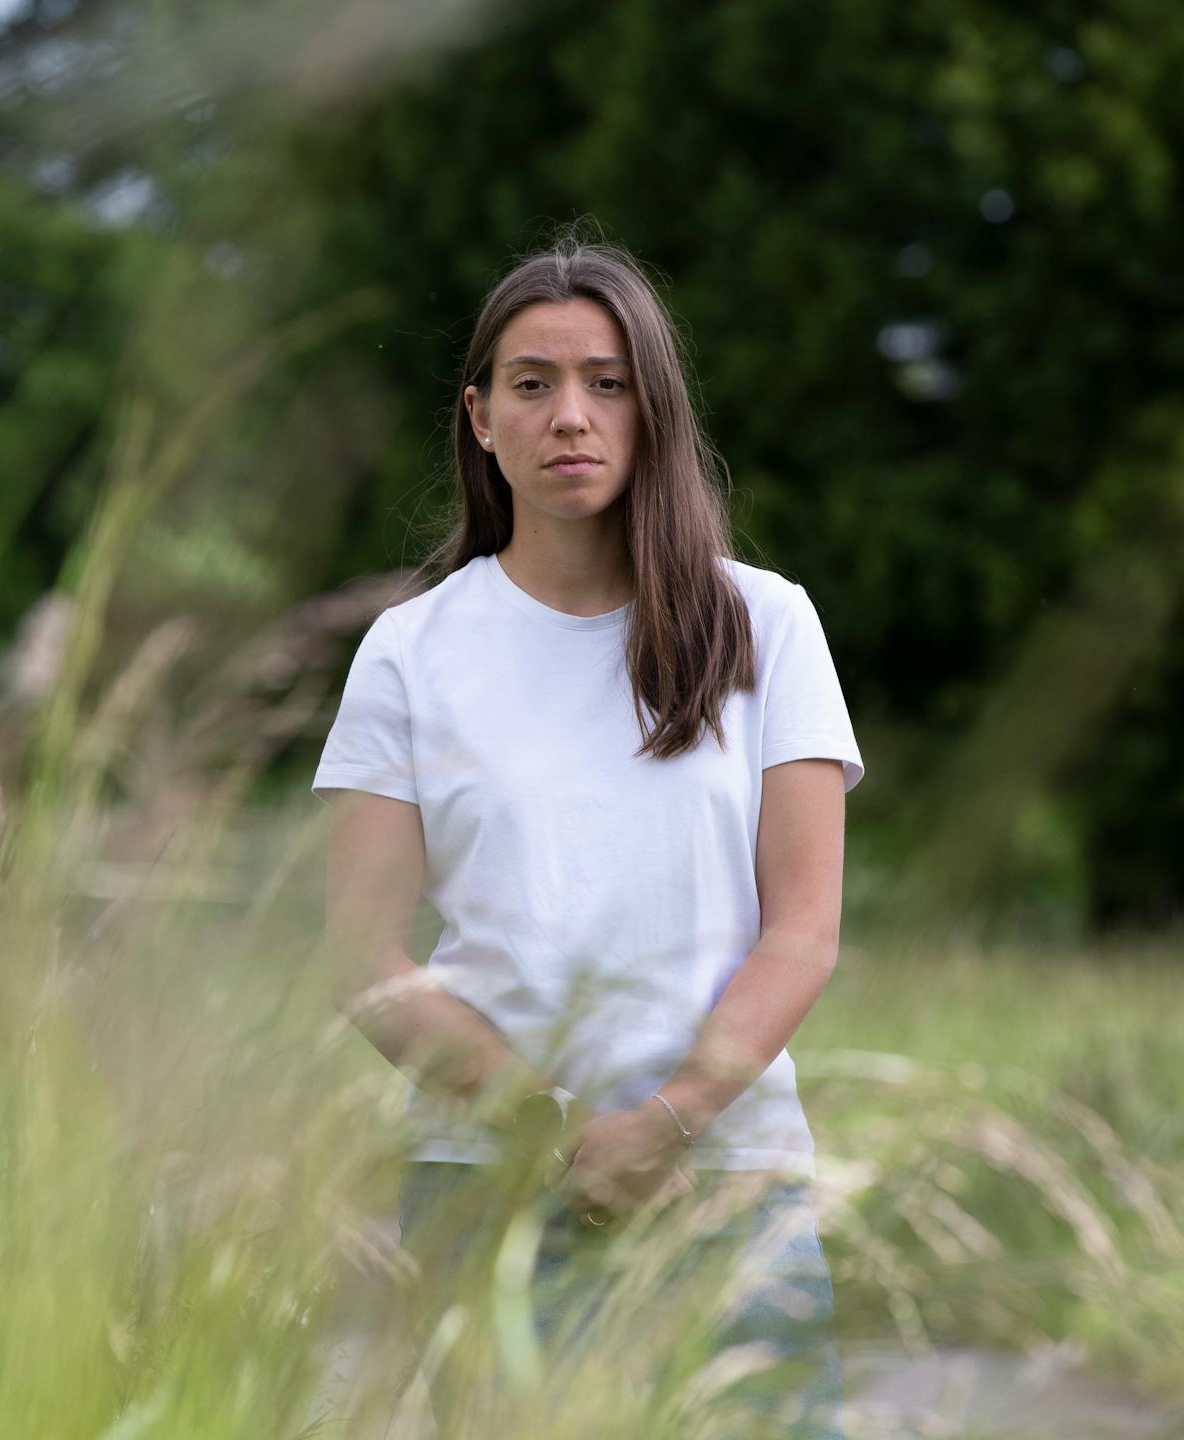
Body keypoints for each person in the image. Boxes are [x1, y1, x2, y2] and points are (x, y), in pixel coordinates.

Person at [311, 233, 860, 1438]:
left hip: (725, 1179)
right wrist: (548, 1127)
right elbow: (362, 956)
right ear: (480, 419)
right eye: (533, 383)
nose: (572, 415)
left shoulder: (768, 625)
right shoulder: (409, 652)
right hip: (488, 1185)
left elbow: (803, 929)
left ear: (653, 411)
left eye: (608, 383)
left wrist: (668, 1122)